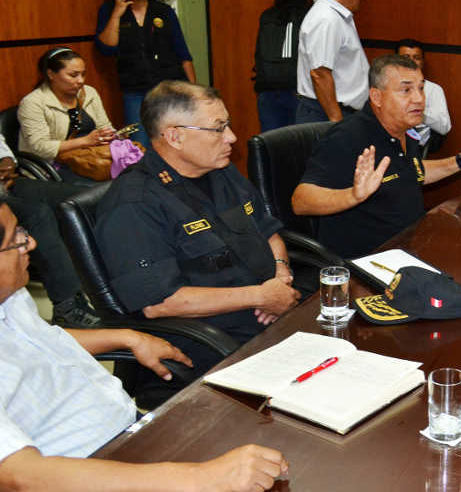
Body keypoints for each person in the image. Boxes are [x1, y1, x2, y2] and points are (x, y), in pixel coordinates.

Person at [0, 203, 290, 491]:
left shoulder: (10, 294)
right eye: (15, 240)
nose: (31, 242)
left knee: (270, 444)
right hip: (79, 473)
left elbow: (41, 341)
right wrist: (202, 478)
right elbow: (19, 477)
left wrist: (128, 337)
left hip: (127, 433)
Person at [95, 81, 300, 390]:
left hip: (271, 308)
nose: (231, 137)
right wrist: (261, 297)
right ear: (175, 136)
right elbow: (160, 303)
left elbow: (268, 231)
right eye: (218, 129)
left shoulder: (221, 171)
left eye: (227, 125)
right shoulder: (135, 204)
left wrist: (280, 276)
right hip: (211, 338)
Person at [292, 54, 461, 259]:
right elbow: (301, 202)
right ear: (377, 97)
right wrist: (353, 195)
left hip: (409, 248)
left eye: (420, 88)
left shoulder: (404, 131)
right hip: (366, 261)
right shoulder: (348, 137)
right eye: (406, 90)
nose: (419, 98)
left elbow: (412, 171)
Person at [95, 0, 195, 149]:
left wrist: (193, 91)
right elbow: (107, 48)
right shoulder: (109, 11)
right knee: (139, 146)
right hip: (135, 91)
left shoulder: (163, 11)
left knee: (176, 143)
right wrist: (117, 12)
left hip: (170, 87)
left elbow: (183, 54)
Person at [0, 135, 98, 327]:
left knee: (80, 199)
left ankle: (106, 282)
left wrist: (7, 161)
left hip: (7, 184)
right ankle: (67, 308)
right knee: (37, 215)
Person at [18, 47, 118, 184]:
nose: (81, 80)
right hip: (55, 165)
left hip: (93, 157)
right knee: (108, 187)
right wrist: (85, 141)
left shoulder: (89, 93)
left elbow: (104, 126)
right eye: (73, 75)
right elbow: (40, 148)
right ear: (51, 74)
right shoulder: (33, 103)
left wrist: (112, 135)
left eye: (83, 74)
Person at [295, 0, 370, 123]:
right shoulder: (326, 18)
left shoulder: (335, 16)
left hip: (334, 111)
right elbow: (320, 74)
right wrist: (336, 121)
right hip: (327, 113)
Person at [254, 0, 320, 132]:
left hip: (268, 91)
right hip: (301, 94)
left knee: (272, 142)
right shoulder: (312, 18)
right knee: (300, 142)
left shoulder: (267, 16)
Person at [396, 38, 452, 153]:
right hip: (385, 141)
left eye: (416, 58)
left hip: (416, 147)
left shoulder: (433, 89)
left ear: (422, 62)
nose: (411, 62)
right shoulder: (384, 85)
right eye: (405, 57)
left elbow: (445, 127)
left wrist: (419, 110)